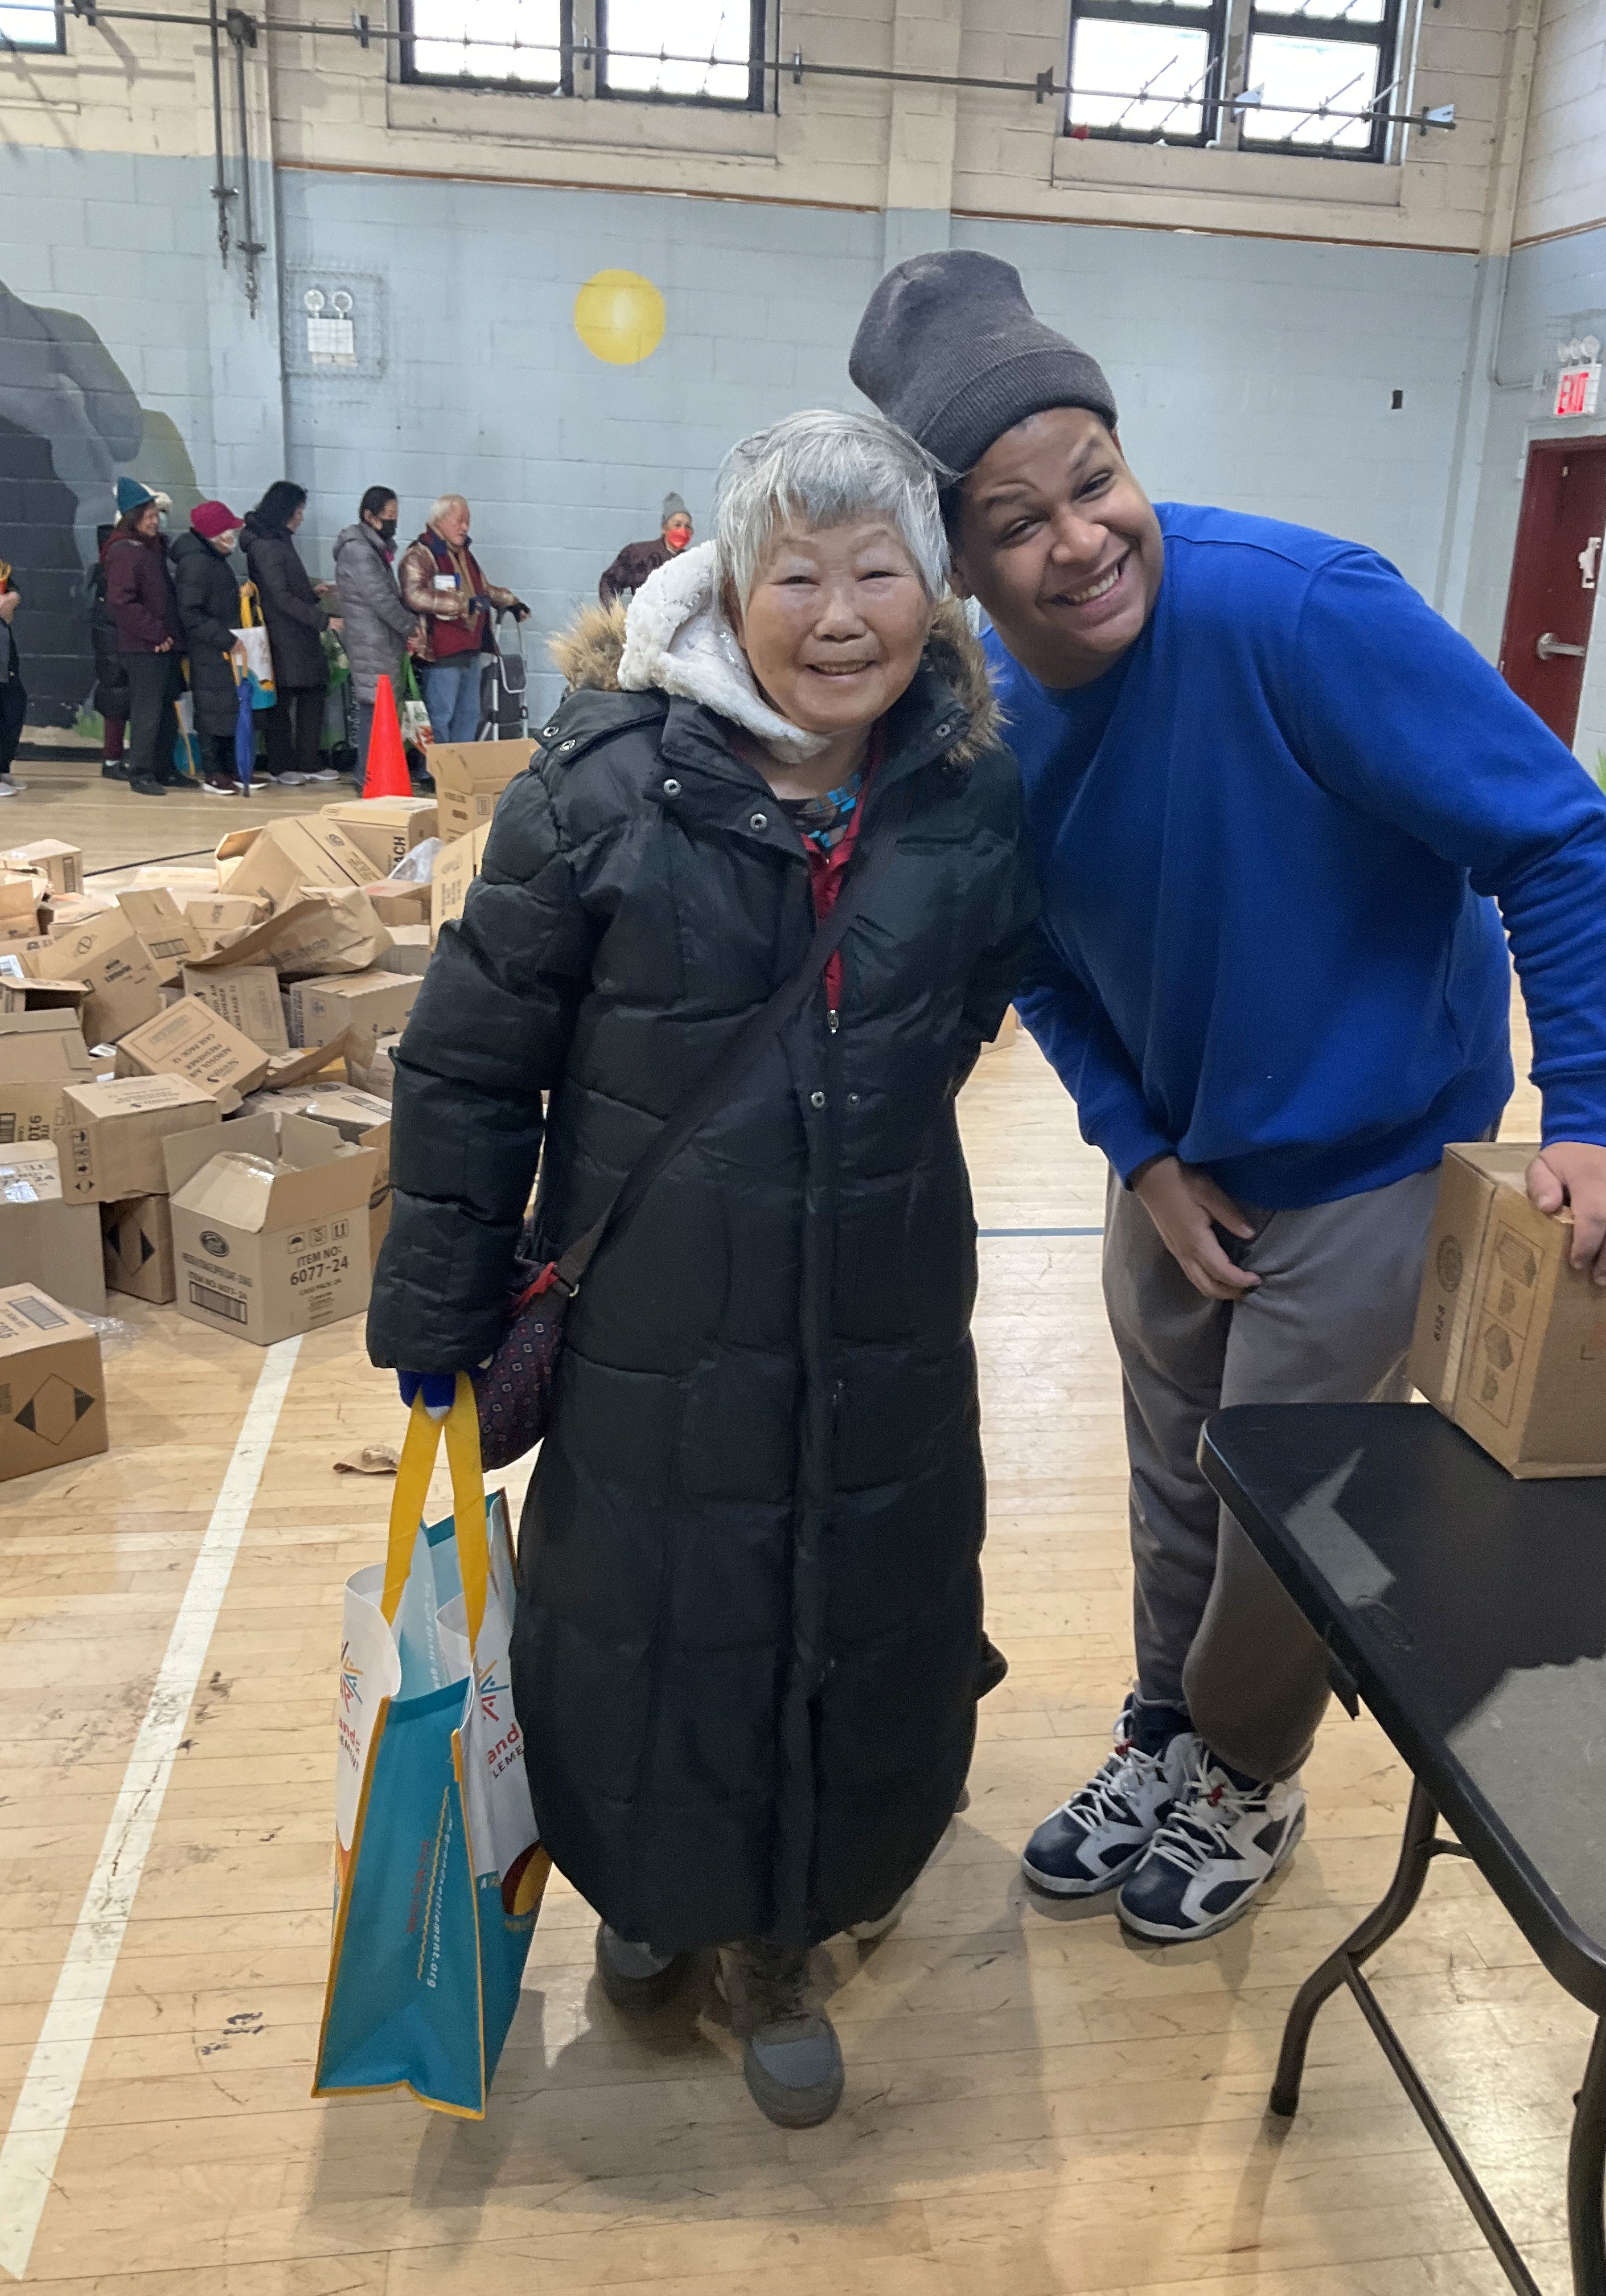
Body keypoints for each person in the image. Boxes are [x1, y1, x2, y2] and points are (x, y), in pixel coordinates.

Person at [849, 251, 1606, 1945]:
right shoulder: (976, 727)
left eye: (1097, 482)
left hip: (1373, 1149)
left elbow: (1556, 833)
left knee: (1279, 1517)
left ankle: (1246, 1768)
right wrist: (1139, 1150)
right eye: (1019, 524)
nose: (1081, 542)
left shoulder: (1297, 612)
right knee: (1173, 1475)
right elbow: (1037, 963)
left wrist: (1592, 1109)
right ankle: (1168, 1729)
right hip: (1179, 1157)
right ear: (960, 563)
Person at [368, 409, 1037, 2130]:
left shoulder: (963, 796)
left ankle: (783, 1939)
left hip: (883, 1312)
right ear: (727, 589)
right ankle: (656, 1899)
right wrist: (441, 1310)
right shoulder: (602, 785)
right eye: (794, 574)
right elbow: (470, 1057)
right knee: (654, 1615)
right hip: (653, 1317)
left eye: (876, 571)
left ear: (928, 591)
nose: (838, 614)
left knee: (845, 1605)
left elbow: (970, 1005)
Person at [400, 495, 528, 745]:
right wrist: (462, 605)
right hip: (441, 653)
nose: (466, 527)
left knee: (469, 715)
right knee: (440, 715)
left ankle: (461, 772)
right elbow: (414, 595)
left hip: (470, 649)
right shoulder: (420, 554)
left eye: (467, 521)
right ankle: (437, 774)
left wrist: (512, 602)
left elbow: (483, 590)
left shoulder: (464, 554)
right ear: (440, 520)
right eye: (460, 521)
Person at [241, 479, 336, 787]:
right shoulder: (265, 545)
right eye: (298, 511)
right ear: (285, 511)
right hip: (283, 634)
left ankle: (308, 760)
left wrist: (310, 591)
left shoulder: (279, 539)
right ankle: (281, 765)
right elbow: (279, 597)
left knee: (313, 690)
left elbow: (286, 587)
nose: (301, 518)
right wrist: (322, 620)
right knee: (282, 700)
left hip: (297, 631)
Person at [104, 477, 193, 797]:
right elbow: (122, 602)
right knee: (147, 712)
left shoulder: (148, 548)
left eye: (157, 515)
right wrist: (157, 633)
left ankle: (164, 769)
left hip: (163, 643)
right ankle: (141, 772)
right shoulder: (126, 552)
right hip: (144, 647)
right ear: (133, 517)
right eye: (149, 515)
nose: (156, 521)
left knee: (166, 710)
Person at [334, 485, 428, 782]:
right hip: (371, 642)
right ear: (369, 516)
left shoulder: (373, 548)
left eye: (396, 516)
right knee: (372, 712)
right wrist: (411, 627)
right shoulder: (359, 552)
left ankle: (374, 774)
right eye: (388, 516)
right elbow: (382, 600)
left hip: (381, 641)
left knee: (379, 712)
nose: (393, 523)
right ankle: (367, 776)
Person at [170, 501, 245, 794]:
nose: (234, 539)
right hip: (210, 649)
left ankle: (230, 768)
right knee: (211, 710)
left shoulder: (212, 558)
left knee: (226, 708)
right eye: (230, 532)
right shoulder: (197, 563)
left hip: (221, 647)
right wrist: (225, 638)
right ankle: (213, 772)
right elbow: (191, 612)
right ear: (215, 535)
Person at [86, 524, 131, 783]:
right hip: (116, 643)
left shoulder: (103, 571)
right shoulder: (112, 572)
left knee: (117, 700)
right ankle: (112, 759)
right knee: (117, 701)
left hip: (112, 643)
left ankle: (113, 758)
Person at [597, 492, 694, 609]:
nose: (683, 531)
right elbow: (609, 582)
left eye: (687, 526)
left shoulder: (690, 561)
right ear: (664, 528)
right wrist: (613, 613)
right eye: (677, 525)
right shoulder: (639, 554)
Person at [0, 572, 23, 796]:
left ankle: (2, 768)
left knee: (14, 707)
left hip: (4, 653)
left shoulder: (2, 568)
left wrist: (12, 598)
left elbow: (12, 591)